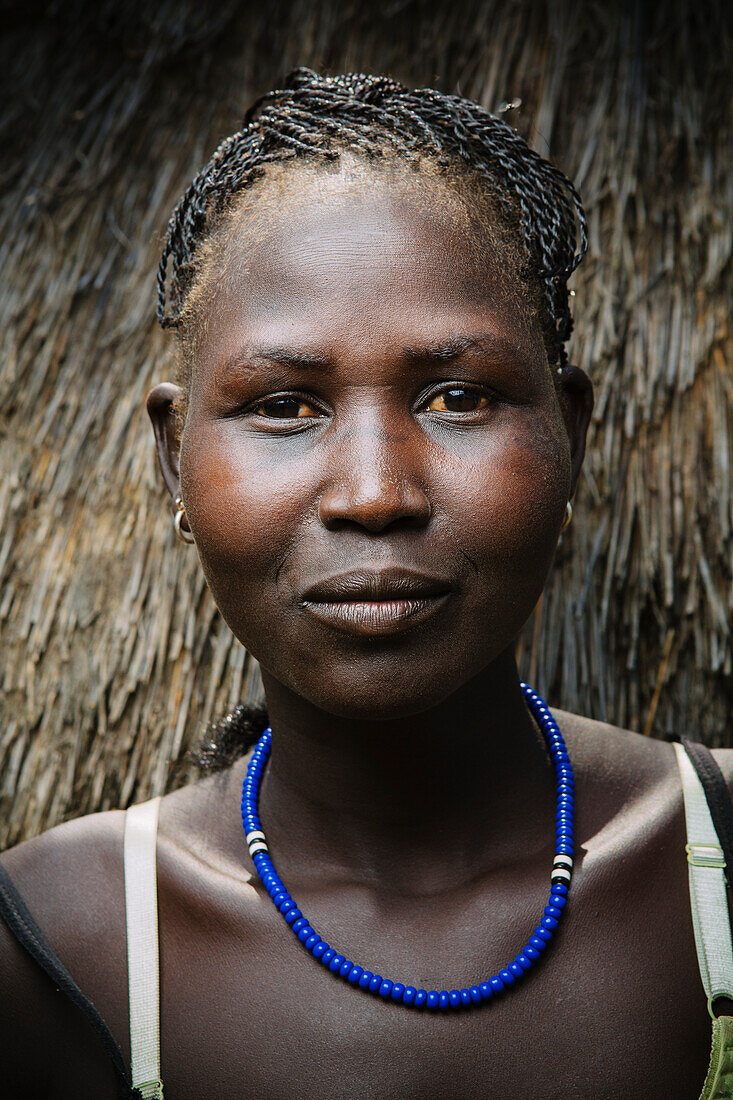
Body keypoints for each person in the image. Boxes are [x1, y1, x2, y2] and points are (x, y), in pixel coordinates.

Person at [0, 67, 731, 1100]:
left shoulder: (717, 866)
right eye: (286, 404)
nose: (375, 491)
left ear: (571, 430)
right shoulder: (55, 948)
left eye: (457, 395)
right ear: (174, 461)